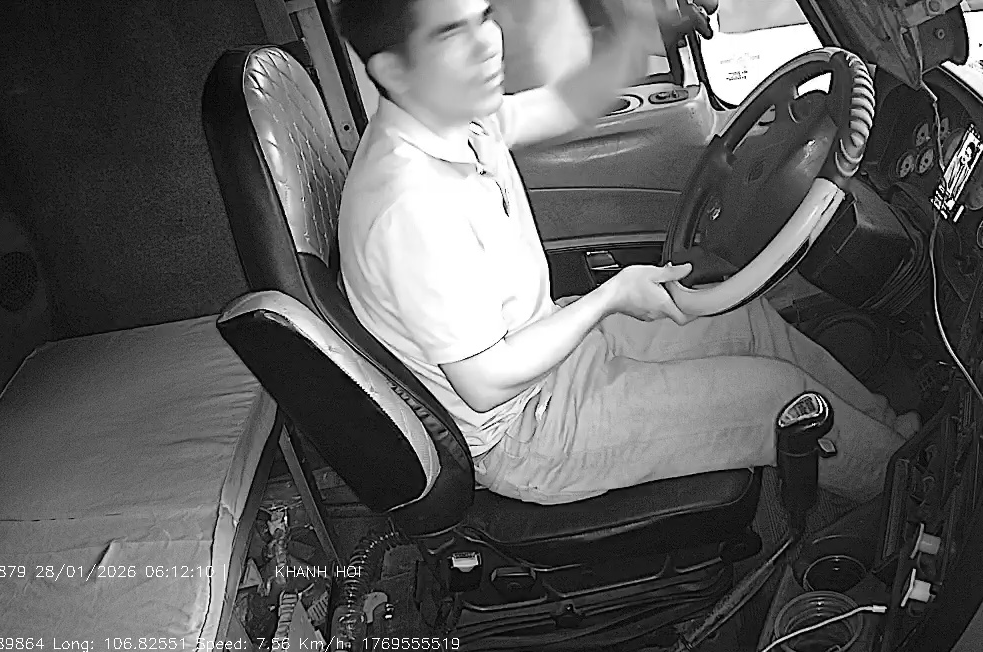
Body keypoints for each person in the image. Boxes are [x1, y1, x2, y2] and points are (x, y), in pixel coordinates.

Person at [335, 0, 917, 507]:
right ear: (393, 69)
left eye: (483, 16)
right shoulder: (408, 207)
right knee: (780, 401)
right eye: (449, 33)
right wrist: (611, 295)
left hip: (551, 351)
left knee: (745, 320)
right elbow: (485, 383)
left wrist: (641, 27)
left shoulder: (454, 117)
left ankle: (898, 437)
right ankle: (907, 495)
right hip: (523, 429)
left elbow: (565, 105)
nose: (487, 42)